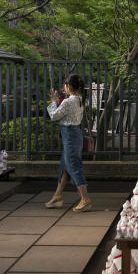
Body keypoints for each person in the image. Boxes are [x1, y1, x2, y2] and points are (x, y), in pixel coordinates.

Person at [45, 73, 91, 211]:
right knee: (65, 166)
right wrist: (57, 102)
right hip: (75, 135)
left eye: (65, 85)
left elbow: (54, 116)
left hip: (70, 136)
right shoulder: (79, 99)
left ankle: (85, 199)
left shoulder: (68, 101)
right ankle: (57, 196)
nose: (63, 88)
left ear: (69, 86)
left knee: (73, 167)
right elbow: (65, 113)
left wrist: (53, 102)